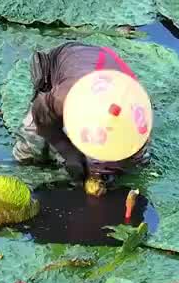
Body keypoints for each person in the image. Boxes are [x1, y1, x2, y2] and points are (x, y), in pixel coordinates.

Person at [12, 42, 153, 183]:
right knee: (32, 142)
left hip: (105, 65)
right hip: (66, 60)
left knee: (135, 166)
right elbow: (41, 111)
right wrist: (68, 151)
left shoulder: (138, 116)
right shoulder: (64, 97)